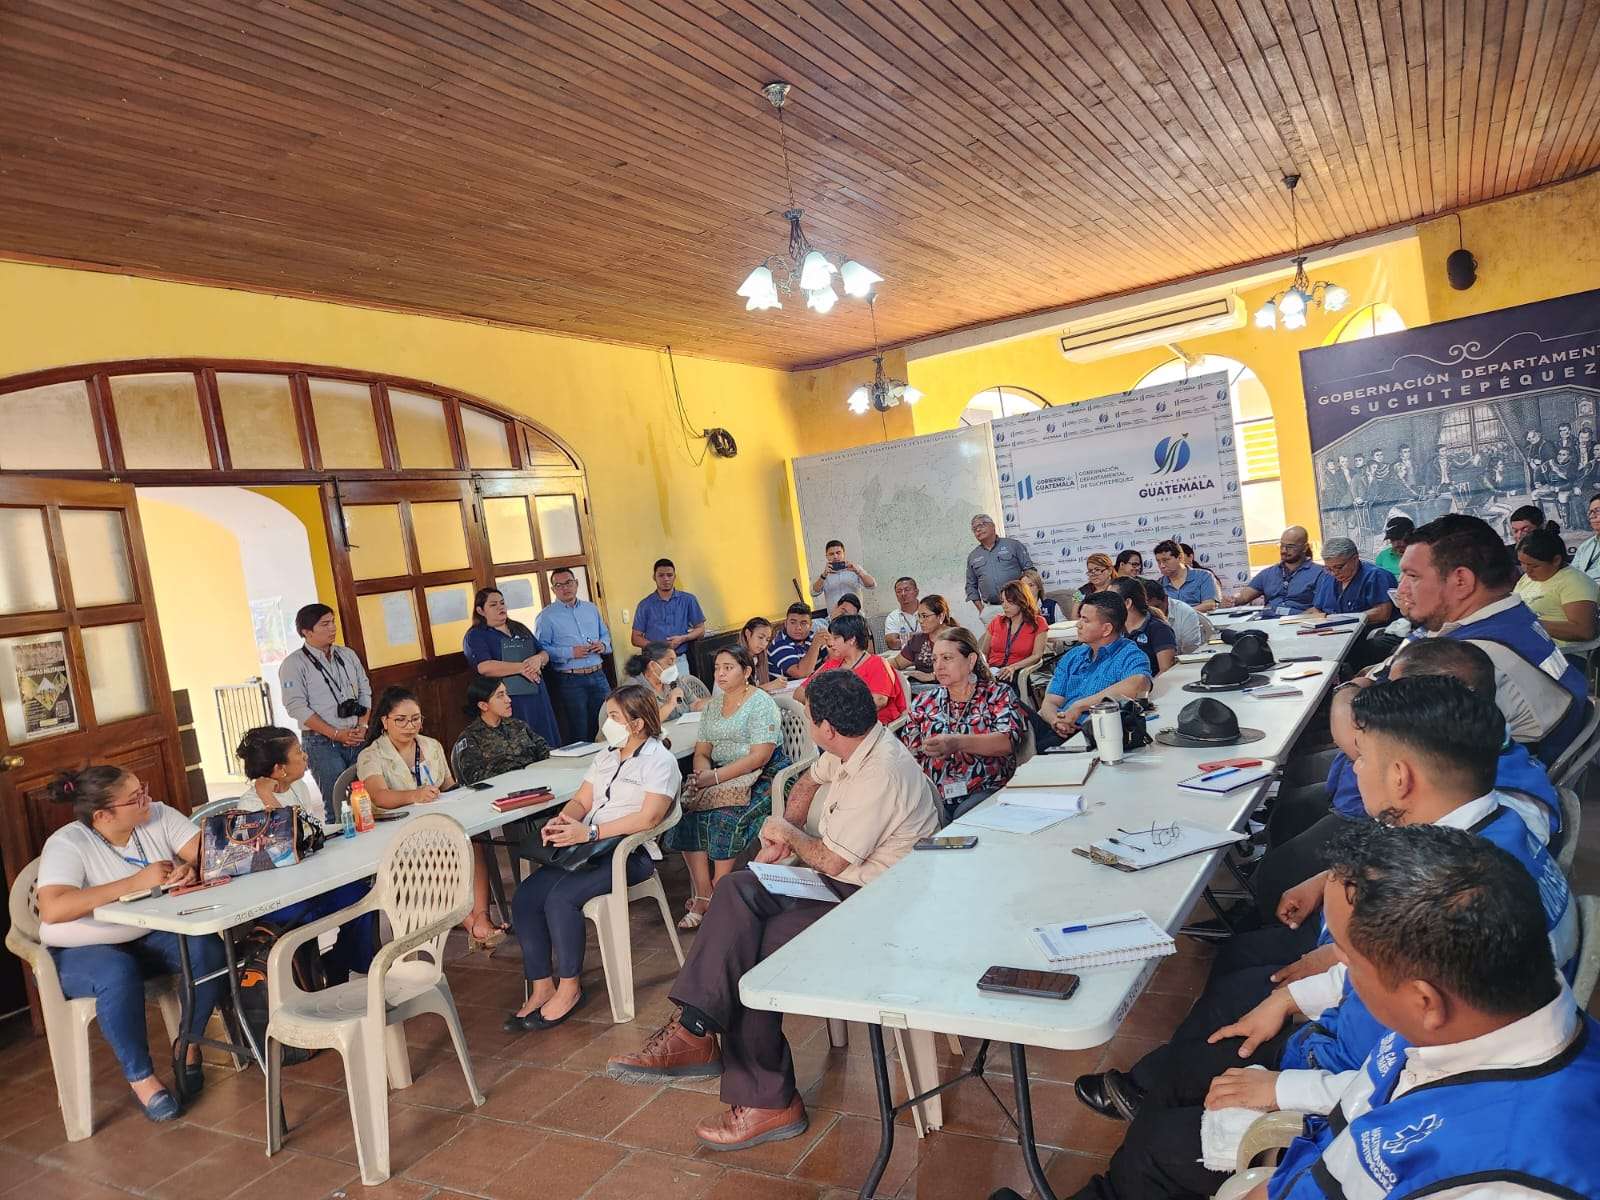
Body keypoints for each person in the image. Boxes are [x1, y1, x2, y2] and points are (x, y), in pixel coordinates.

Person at [1068, 680, 1578, 1200]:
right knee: (1188, 1073)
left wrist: (1278, 1117)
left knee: (1162, 1138)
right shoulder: (1458, 993)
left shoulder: (1493, 1159)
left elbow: (1369, 1141)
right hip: (1339, 1090)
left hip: (1327, 1088)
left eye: (1353, 964)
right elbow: (1380, 1090)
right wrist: (1296, 998)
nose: (1338, 970)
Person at [606, 670, 939, 1150]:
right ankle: (696, 1031)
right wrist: (786, 819)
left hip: (873, 905)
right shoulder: (853, 744)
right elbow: (809, 778)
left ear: (824, 726)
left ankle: (766, 1097)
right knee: (736, 891)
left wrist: (784, 835)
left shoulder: (881, 770)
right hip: (840, 884)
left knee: (752, 952)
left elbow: (830, 858)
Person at [35, 766, 223, 1121]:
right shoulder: (68, 843)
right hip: (82, 948)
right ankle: (143, 1079)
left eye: (144, 789)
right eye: (135, 798)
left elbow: (207, 852)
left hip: (147, 933)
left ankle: (189, 1043)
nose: (147, 799)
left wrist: (192, 868)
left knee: (206, 949)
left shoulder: (158, 815)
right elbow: (53, 907)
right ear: (103, 815)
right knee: (117, 973)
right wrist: (134, 883)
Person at [502, 685, 679, 1032]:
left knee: (561, 899)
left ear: (637, 724)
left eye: (614, 717)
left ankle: (570, 989)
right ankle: (542, 987)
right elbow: (582, 802)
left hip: (627, 853)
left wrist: (593, 833)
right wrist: (564, 819)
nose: (607, 723)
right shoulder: (606, 756)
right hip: (586, 850)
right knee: (525, 897)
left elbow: (650, 819)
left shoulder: (660, 761)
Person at [1393, 512, 1587, 764]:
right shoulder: (1510, 614)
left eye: (1413, 576)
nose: (1401, 589)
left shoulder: (1465, 660)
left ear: (1461, 581)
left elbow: (1402, 748)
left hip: (1496, 779)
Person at [356, 687, 501, 949]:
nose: (410, 726)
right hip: (397, 831)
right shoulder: (372, 754)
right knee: (438, 854)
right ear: (384, 721)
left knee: (472, 839)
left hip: (436, 820)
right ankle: (472, 924)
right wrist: (415, 795)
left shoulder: (431, 745)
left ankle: (482, 916)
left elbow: (448, 786)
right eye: (401, 720)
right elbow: (378, 796)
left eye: (415, 719)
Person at [234, 727, 378, 984]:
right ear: (280, 769)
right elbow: (282, 851)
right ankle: (326, 971)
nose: (305, 756)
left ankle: (341, 962)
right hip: (280, 897)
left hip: (310, 882)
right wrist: (266, 795)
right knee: (317, 913)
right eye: (299, 752)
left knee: (362, 895)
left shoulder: (297, 786)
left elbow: (309, 835)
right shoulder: (250, 806)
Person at [667, 646, 789, 929]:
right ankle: (703, 894)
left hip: (764, 775)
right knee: (686, 816)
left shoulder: (760, 702)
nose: (720, 674)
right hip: (719, 774)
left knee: (725, 818)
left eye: (728, 668)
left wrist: (717, 779)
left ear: (746, 672)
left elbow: (760, 756)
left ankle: (721, 889)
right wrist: (704, 774)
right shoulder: (711, 706)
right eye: (717, 668)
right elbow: (702, 749)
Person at [897, 626, 1026, 822]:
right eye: (934, 659)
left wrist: (956, 742)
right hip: (933, 795)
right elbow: (909, 753)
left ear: (971, 660)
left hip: (984, 789)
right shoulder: (925, 701)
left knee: (963, 817)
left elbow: (1007, 742)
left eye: (947, 658)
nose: (938, 666)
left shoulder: (996, 694)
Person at [277, 602, 372, 810]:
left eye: (333, 622)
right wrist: (336, 734)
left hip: (357, 735)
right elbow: (296, 707)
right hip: (321, 742)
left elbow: (365, 690)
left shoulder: (347, 655)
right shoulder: (294, 664)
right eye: (325, 624)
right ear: (306, 632)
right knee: (337, 805)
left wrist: (363, 726)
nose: (332, 628)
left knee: (368, 799)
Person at [1031, 591, 1153, 751]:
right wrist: (1056, 721)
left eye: (1085, 620)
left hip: (1095, 733)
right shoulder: (1073, 656)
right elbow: (1050, 702)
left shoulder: (1129, 655)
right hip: (1056, 727)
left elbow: (1138, 684)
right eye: (1080, 618)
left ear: (1106, 629)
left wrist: (1080, 706)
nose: (1078, 624)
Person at [463, 586, 561, 747]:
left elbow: (544, 653)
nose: (500, 607)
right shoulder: (476, 635)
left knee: (546, 739)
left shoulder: (519, 627)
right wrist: (522, 668)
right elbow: (484, 667)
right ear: (480, 610)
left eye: (502, 603)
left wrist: (538, 659)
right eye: (493, 605)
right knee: (521, 742)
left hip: (536, 692)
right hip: (509, 697)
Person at [534, 566, 612, 743]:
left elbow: (605, 635)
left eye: (568, 582)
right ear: (553, 590)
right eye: (559, 585)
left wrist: (603, 645)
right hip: (570, 680)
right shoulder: (546, 617)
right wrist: (570, 652)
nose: (565, 588)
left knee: (609, 723)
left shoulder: (591, 608)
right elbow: (541, 648)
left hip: (598, 674)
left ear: (576, 584)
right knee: (580, 730)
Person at [795, 613, 906, 724]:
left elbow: (878, 701)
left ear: (852, 639)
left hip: (871, 726)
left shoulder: (877, 663)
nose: (830, 643)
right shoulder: (833, 663)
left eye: (835, 638)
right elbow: (799, 693)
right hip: (838, 726)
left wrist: (833, 708)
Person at [1515, 526, 1599, 654]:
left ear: (1556, 560)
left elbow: (1585, 630)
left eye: (1534, 566)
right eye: (1522, 563)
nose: (1526, 570)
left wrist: (1532, 624)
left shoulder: (1574, 583)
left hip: (1565, 655)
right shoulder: (1527, 578)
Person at [452, 677, 550, 785]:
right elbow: (474, 777)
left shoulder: (518, 725)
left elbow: (544, 751)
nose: (508, 700)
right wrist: (513, 779)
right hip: (502, 792)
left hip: (536, 782)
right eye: (500, 696)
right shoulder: (470, 737)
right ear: (483, 706)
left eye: (506, 693)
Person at [629, 558, 706, 677]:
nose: (666, 579)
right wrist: (658, 646)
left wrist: (683, 638)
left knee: (683, 693)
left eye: (669, 575)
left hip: (679, 660)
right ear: (654, 577)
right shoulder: (645, 605)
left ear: (675, 576)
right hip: (653, 663)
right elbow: (635, 638)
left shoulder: (688, 600)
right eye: (661, 575)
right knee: (658, 695)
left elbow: (701, 630)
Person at [1230, 526, 1326, 613]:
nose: (1284, 550)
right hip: (1267, 622)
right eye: (1282, 545)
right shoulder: (1268, 573)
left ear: (1305, 548)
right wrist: (1233, 600)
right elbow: (1244, 596)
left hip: (1299, 623)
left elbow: (1319, 609)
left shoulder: (1320, 573)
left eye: (1290, 546)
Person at [1305, 537, 1396, 623]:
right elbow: (1317, 609)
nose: (1334, 573)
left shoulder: (1375, 576)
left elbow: (1383, 612)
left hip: (1364, 631)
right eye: (1329, 568)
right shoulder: (1328, 577)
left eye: (1339, 567)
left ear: (1355, 559)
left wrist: (1343, 620)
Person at [979, 579, 1051, 688]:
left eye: (1010, 601)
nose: (1005, 606)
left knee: (1004, 685)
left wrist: (1013, 667)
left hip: (1017, 671)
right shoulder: (996, 621)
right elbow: (984, 652)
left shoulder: (1038, 622)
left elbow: (1037, 655)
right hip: (992, 670)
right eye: (1003, 601)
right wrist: (984, 668)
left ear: (1022, 600)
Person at [965, 512, 1033, 620]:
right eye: (974, 529)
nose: (977, 530)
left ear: (993, 526)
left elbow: (1030, 573)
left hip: (1018, 604)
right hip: (991, 610)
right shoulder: (973, 556)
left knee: (1021, 635)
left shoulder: (1013, 545)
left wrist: (1029, 600)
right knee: (996, 637)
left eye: (981, 525)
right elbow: (970, 586)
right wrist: (982, 609)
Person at [1108, 576, 1176, 675]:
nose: (1106, 605)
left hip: (1151, 687)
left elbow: (1165, 670)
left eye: (1111, 600)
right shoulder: (1112, 628)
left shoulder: (1159, 629)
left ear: (1127, 603)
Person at [624, 641, 698, 723]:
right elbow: (648, 724)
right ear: (652, 666)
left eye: (675, 662)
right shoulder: (633, 689)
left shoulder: (673, 680)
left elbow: (694, 704)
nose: (674, 667)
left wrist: (712, 703)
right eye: (670, 663)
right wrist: (671, 704)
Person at [892, 593, 958, 683]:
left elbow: (966, 668)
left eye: (925, 616)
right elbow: (897, 663)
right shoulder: (917, 639)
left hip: (951, 689)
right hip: (920, 690)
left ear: (941, 616)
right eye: (919, 616)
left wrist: (932, 676)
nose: (920, 621)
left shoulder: (957, 638)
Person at [1142, 578, 1210, 654]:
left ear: (1165, 599)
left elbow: (1190, 650)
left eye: (1157, 607)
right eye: (1148, 610)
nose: (1154, 612)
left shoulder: (1186, 613)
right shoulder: (1137, 614)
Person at [809, 539, 875, 612]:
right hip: (835, 619)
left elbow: (872, 585)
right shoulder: (823, 574)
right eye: (831, 554)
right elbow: (813, 593)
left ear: (843, 553)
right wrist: (824, 576)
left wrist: (859, 572)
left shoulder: (855, 569)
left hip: (856, 617)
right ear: (826, 556)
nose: (835, 556)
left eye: (838, 553)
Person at [767, 602, 827, 683]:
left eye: (803, 623)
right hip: (784, 691)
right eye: (793, 622)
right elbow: (801, 673)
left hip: (812, 686)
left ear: (810, 625)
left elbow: (831, 659)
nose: (798, 627)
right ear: (785, 624)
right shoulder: (779, 643)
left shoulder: (812, 637)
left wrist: (831, 643)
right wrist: (815, 645)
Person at [1153, 539, 1217, 611]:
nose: (1162, 566)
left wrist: (1184, 615)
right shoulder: (1158, 585)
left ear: (1180, 557)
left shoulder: (1204, 576)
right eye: (1158, 561)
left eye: (1165, 560)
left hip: (1199, 620)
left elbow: (1209, 604)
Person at [737, 616, 782, 690]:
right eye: (760, 637)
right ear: (748, 634)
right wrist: (769, 686)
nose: (764, 643)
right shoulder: (734, 658)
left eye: (767, 640)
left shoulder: (758, 657)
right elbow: (739, 694)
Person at [883, 576, 922, 649]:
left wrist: (904, 638)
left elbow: (938, 635)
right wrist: (922, 636)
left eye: (907, 589)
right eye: (899, 591)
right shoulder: (893, 616)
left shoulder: (929, 611)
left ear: (916, 592)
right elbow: (893, 643)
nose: (903, 594)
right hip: (904, 656)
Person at [1570, 492, 1600, 584]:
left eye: (1597, 510)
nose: (1592, 516)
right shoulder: (1585, 546)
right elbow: (1572, 574)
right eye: (1590, 512)